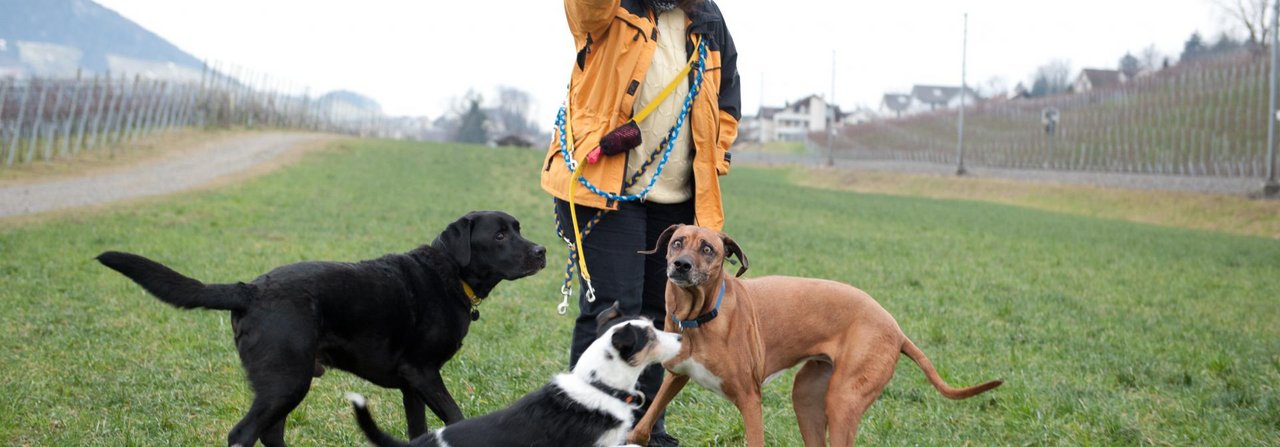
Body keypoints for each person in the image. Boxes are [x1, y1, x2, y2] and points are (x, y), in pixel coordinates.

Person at [541, 0, 740, 445]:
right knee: (614, 312)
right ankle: (587, 430)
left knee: (661, 317)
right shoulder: (609, 9)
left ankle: (641, 432)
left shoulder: (706, 18)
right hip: (606, 190)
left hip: (679, 200)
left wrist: (714, 157)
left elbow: (728, 101)